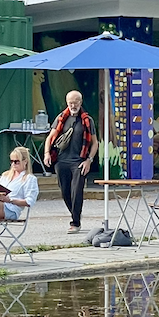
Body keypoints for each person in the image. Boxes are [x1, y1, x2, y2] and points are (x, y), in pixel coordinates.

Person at [44, 90, 98, 233]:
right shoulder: (61, 117)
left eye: (76, 102)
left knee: (77, 191)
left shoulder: (87, 120)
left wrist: (89, 160)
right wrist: (47, 153)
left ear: (81, 102)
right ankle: (75, 213)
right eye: (70, 102)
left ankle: (75, 222)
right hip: (62, 161)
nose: (73, 105)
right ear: (67, 102)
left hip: (79, 162)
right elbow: (50, 138)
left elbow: (95, 143)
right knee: (65, 192)